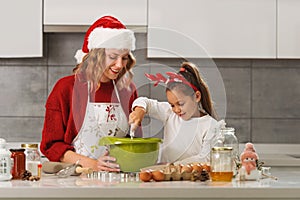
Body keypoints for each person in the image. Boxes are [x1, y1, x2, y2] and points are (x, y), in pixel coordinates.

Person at [40, 15, 142, 172]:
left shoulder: (127, 89)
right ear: (96, 56)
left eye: (125, 57)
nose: (120, 65)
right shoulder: (66, 88)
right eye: (113, 57)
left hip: (118, 179)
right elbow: (51, 145)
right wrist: (93, 165)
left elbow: (135, 140)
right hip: (76, 180)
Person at [129, 62, 224, 165]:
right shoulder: (170, 113)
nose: (177, 110)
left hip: (193, 179)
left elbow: (205, 158)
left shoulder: (211, 126)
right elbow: (144, 101)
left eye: (181, 104)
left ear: (197, 96)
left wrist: (173, 166)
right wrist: (139, 110)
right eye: (172, 105)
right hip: (164, 179)